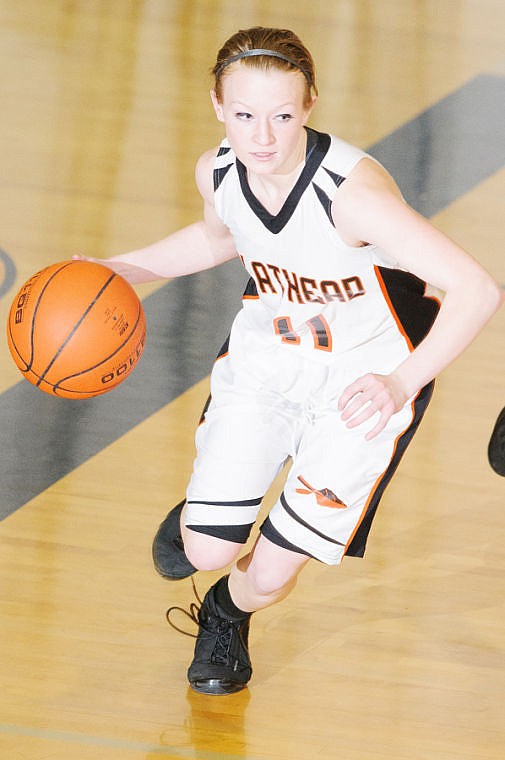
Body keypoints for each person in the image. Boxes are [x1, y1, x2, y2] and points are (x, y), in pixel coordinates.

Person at [75, 26, 503, 696]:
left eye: (281, 115)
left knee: (269, 575)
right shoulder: (216, 169)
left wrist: (400, 382)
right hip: (268, 365)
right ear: (218, 106)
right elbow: (218, 237)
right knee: (205, 548)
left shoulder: (352, 196)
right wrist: (121, 268)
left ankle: (225, 610)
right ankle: (207, 520)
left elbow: (478, 289)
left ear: (308, 106)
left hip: (364, 383)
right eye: (245, 115)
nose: (263, 137)